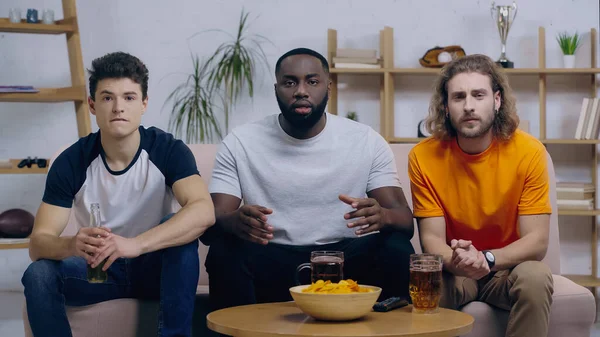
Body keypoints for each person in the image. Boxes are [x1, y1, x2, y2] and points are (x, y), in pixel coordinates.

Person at [202, 47, 415, 311]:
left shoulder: (366, 140)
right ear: (276, 88)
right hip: (270, 256)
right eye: (290, 82)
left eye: (312, 81)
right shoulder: (241, 141)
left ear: (328, 87)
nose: (301, 91)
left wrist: (384, 216)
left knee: (396, 247)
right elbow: (211, 227)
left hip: (346, 261)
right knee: (224, 250)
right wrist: (234, 221)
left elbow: (405, 222)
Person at [21, 51, 215, 337]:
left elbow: (203, 210)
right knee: (38, 275)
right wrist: (72, 244)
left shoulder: (168, 150)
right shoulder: (72, 160)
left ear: (144, 103)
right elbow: (38, 244)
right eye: (108, 97)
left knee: (180, 234)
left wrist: (134, 245)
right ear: (92, 104)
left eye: (129, 97)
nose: (118, 108)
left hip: (154, 267)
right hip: (97, 271)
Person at [408, 54, 554, 337]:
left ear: (497, 100)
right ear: (446, 107)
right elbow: (432, 240)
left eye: (479, 95)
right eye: (459, 97)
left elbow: (537, 241)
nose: (469, 106)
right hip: (455, 267)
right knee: (429, 275)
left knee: (536, 275)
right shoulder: (423, 157)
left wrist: (486, 259)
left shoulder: (530, 151)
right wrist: (461, 260)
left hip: (507, 270)